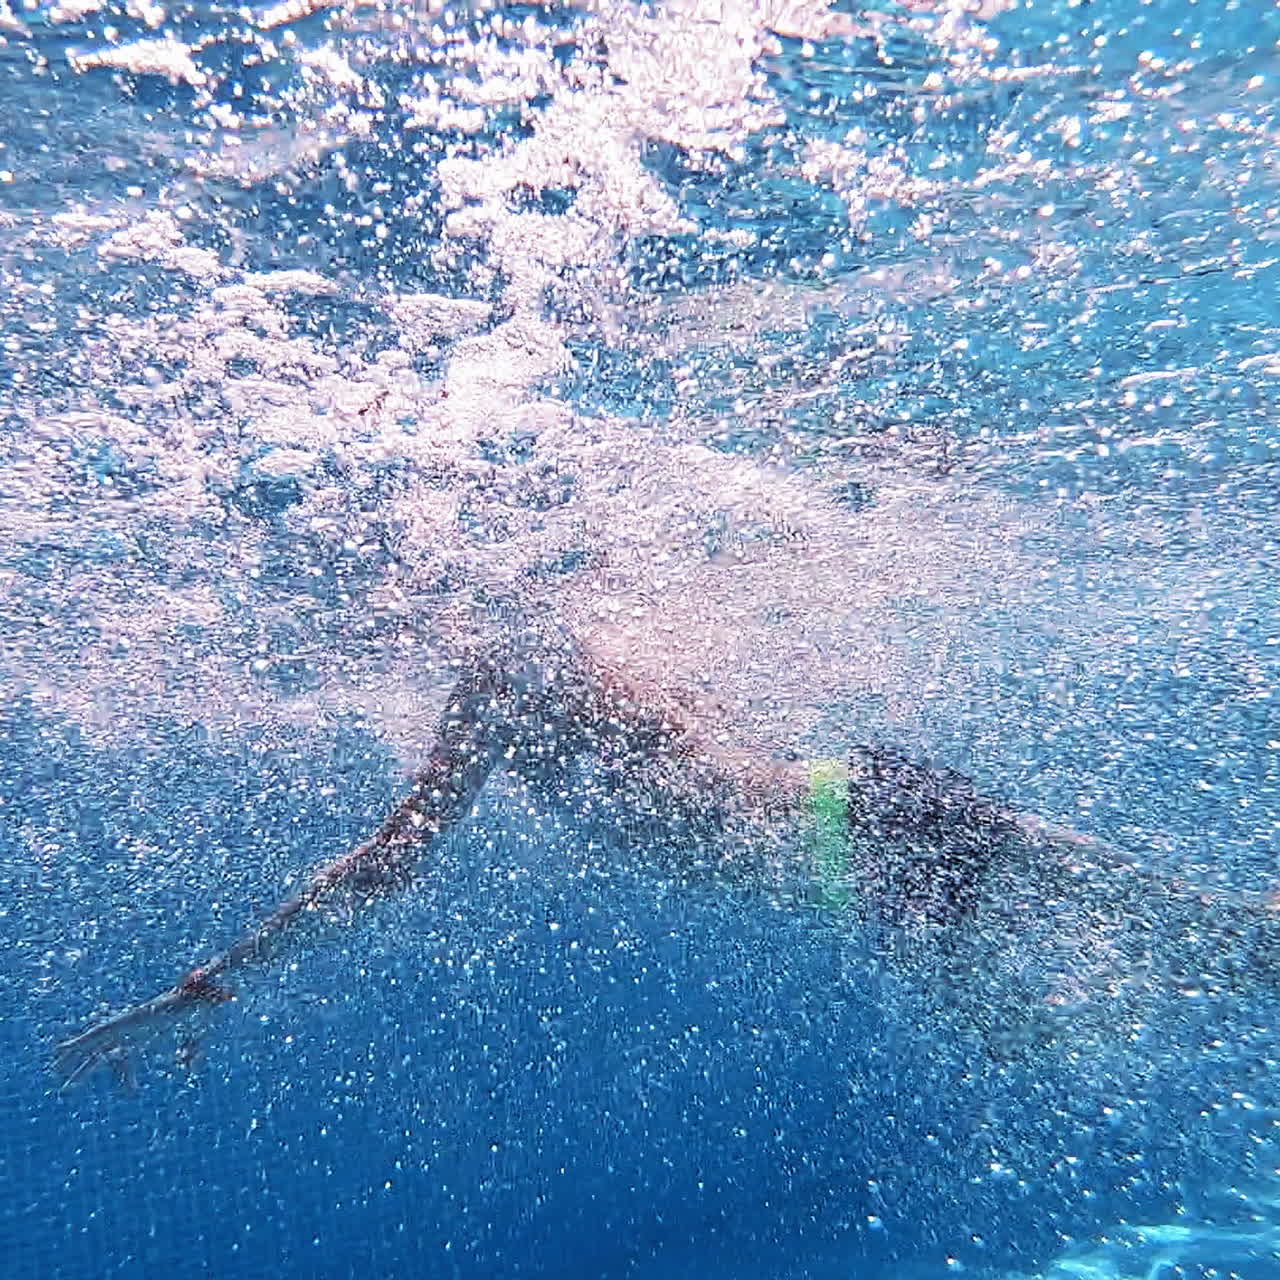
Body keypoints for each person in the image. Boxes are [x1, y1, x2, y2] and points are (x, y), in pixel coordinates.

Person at [53, 623, 1280, 1087]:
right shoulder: (581, 656)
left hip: (869, 830)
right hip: (865, 836)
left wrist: (215, 979)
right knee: (1069, 1024)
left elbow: (389, 860)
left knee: (1194, 957)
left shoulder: (499, 675)